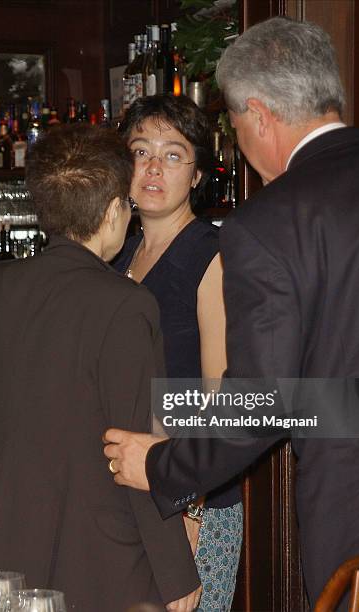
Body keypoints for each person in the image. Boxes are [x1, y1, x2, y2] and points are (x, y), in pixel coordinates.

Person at [104, 16, 359, 608]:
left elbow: (260, 400)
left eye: (236, 124)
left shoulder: (268, 223)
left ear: (260, 116)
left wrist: (165, 466)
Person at [0, 124, 201, 611]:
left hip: (2, 544)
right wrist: (175, 572)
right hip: (99, 556)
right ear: (113, 211)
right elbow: (132, 447)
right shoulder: (125, 303)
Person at [114, 94, 243, 612]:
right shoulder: (117, 253)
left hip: (192, 496)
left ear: (196, 175)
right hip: (128, 488)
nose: (152, 167)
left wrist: (191, 507)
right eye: (140, 151)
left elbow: (219, 393)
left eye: (172, 154)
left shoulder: (211, 254)